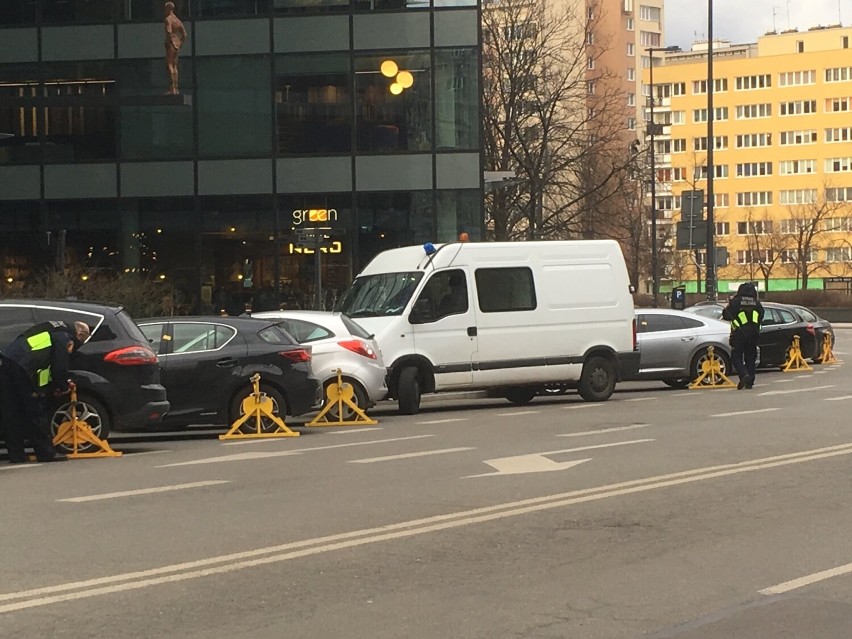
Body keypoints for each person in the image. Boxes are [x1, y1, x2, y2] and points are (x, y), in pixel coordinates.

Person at [0, 320, 91, 463]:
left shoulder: (50, 327)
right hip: (24, 368)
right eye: (81, 341)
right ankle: (46, 453)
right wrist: (63, 387)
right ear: (79, 333)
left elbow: (44, 362)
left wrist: (52, 385)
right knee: (35, 411)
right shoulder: (64, 336)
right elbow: (59, 366)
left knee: (12, 411)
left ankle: (16, 454)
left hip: (8, 361)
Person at [722, 282, 764, 390]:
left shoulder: (736, 302)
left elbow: (726, 315)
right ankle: (750, 380)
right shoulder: (756, 303)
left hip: (739, 333)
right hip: (754, 333)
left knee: (736, 356)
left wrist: (728, 305)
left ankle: (743, 374)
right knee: (750, 357)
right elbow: (762, 315)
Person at [164, 2, 187, 95]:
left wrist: (169, 42)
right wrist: (180, 43)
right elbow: (184, 34)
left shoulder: (168, 20)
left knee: (169, 65)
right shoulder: (177, 20)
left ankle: (172, 88)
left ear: (169, 9)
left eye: (165, 9)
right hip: (177, 44)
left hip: (171, 43)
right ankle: (176, 88)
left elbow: (169, 32)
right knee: (175, 66)